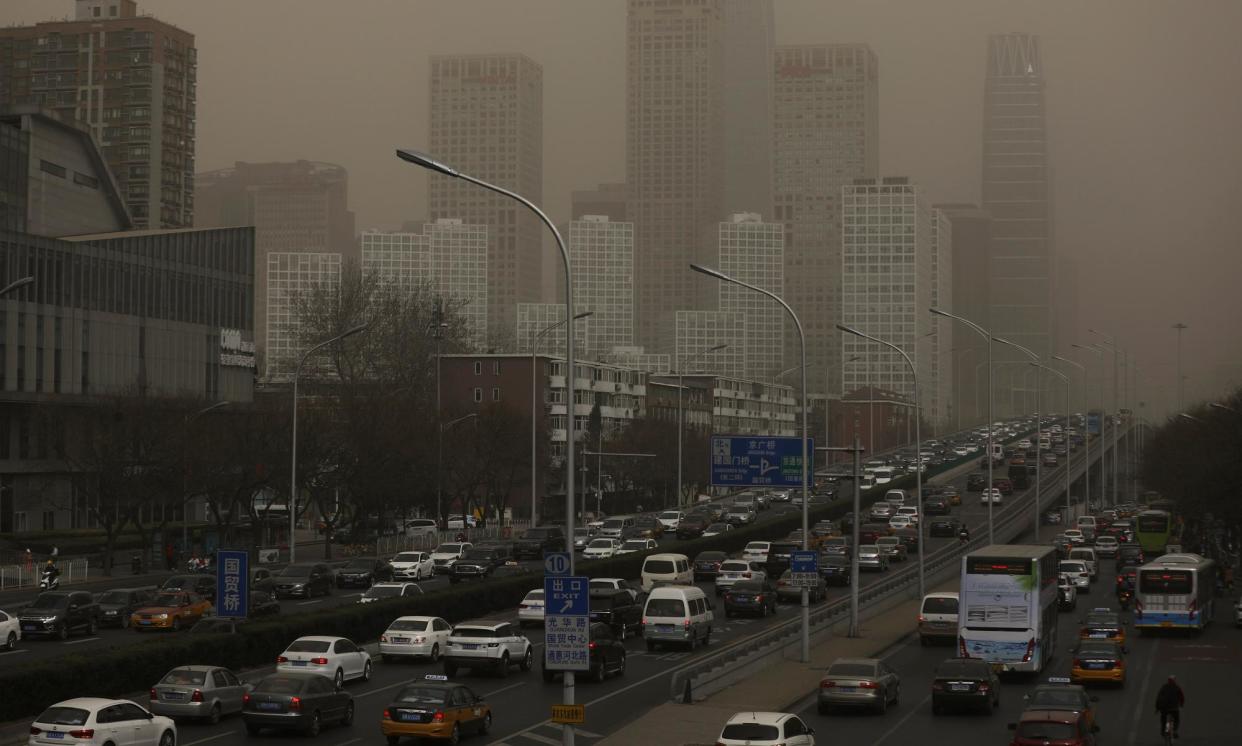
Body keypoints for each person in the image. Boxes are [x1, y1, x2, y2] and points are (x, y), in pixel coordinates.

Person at [1155, 675, 1184, 739]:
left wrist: (1157, 708)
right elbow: (1182, 697)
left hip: (1164, 708)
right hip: (1174, 708)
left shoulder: (1164, 687)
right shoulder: (1177, 687)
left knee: (1163, 720)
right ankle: (1175, 731)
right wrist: (1181, 704)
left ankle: (1163, 731)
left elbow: (1158, 697)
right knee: (1176, 719)